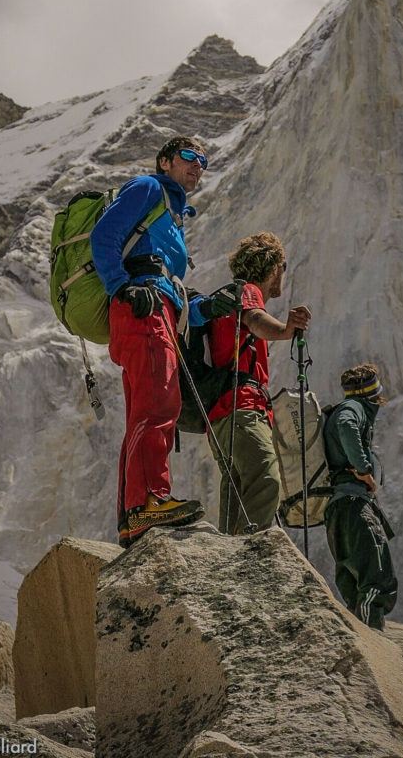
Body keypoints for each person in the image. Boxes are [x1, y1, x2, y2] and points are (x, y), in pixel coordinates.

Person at [90, 136, 237, 548]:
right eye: (189, 156)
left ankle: (133, 515)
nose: (198, 165)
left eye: (203, 160)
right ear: (165, 161)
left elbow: (171, 287)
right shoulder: (149, 188)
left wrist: (208, 307)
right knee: (158, 404)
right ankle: (149, 502)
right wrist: (122, 286)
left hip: (155, 311)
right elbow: (103, 236)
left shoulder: (172, 214)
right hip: (143, 309)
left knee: (147, 408)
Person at [206, 231, 311, 535]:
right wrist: (286, 330)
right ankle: (251, 553)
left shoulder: (225, 299)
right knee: (266, 480)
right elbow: (254, 319)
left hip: (221, 416)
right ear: (274, 266)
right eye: (283, 266)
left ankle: (230, 551)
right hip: (243, 408)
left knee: (237, 490)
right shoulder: (247, 291)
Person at [323, 365, 397, 631]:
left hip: (339, 510)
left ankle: (362, 638)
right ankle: (373, 640)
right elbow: (346, 425)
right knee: (377, 578)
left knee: (354, 584)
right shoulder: (353, 408)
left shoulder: (345, 407)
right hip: (353, 506)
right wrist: (364, 470)